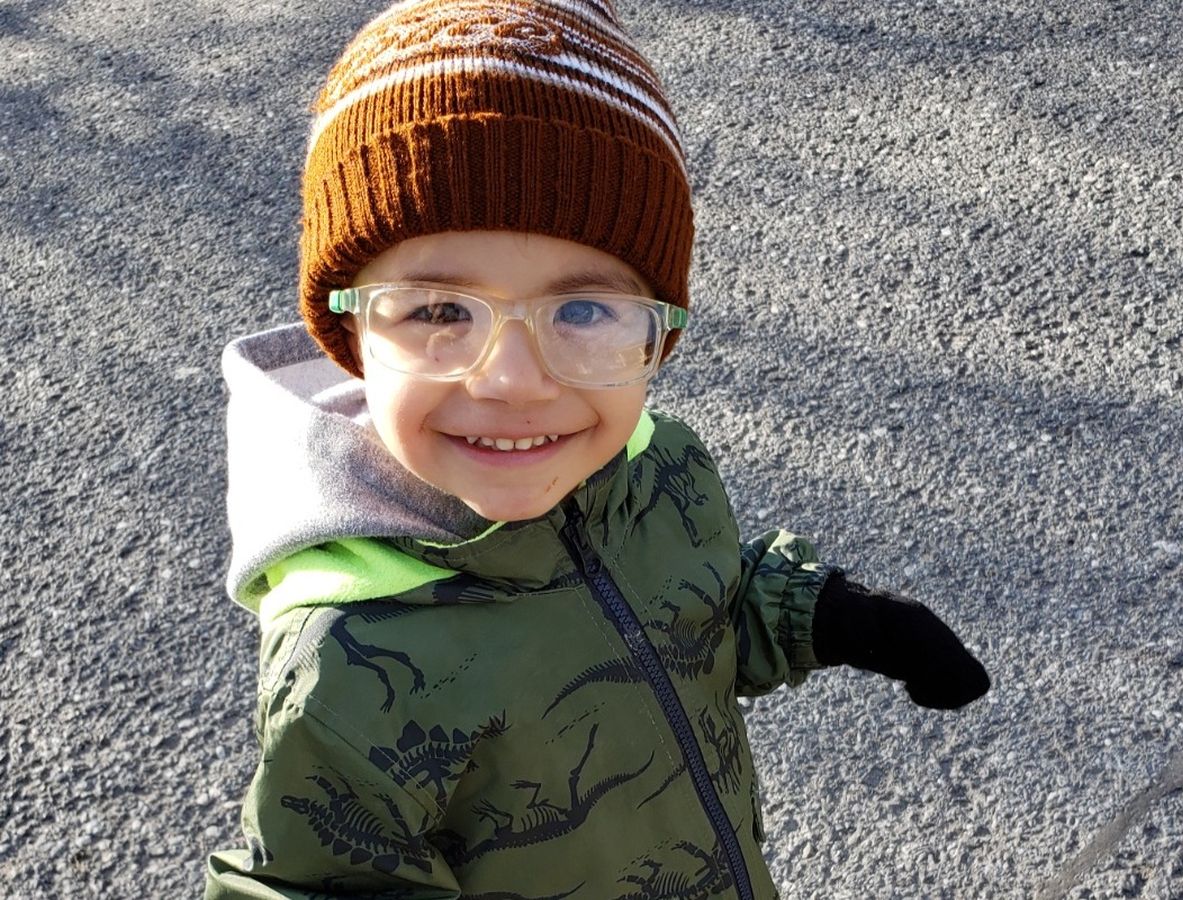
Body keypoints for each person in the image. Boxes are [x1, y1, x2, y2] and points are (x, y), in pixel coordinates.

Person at [205, 1, 990, 897]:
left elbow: (682, 603)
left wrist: (823, 615)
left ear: (658, 333)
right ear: (350, 335)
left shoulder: (653, 465)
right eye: (439, 310)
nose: (512, 381)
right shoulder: (347, 667)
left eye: (581, 310)